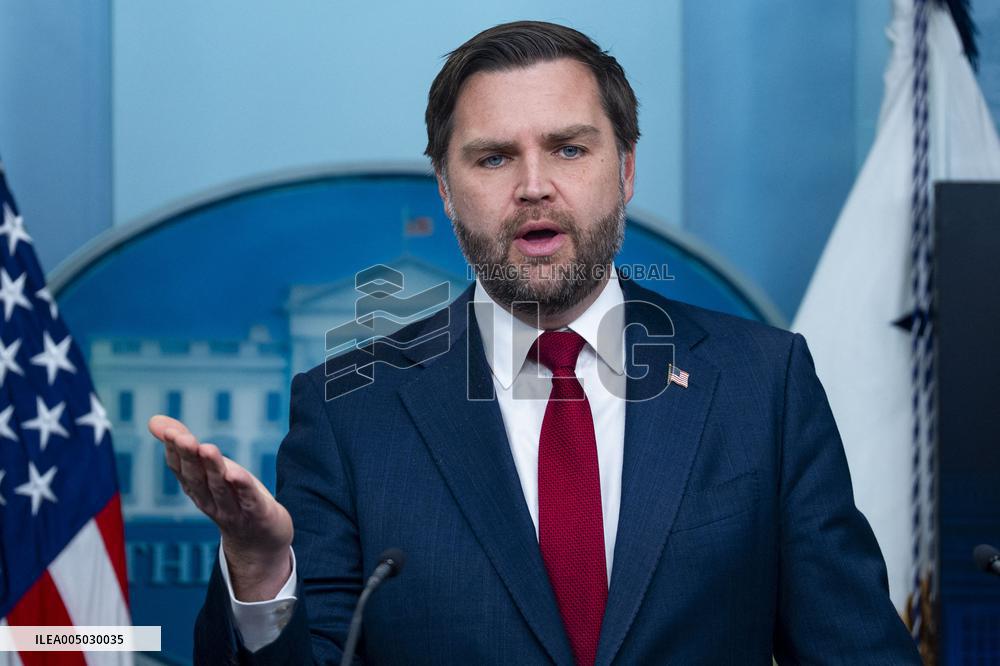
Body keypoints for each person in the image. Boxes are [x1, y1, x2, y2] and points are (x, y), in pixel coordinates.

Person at [147, 21, 922, 665]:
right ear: (447, 192)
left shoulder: (763, 383)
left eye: (569, 149)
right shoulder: (350, 411)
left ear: (625, 171)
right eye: (492, 157)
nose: (532, 186)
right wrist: (259, 568)